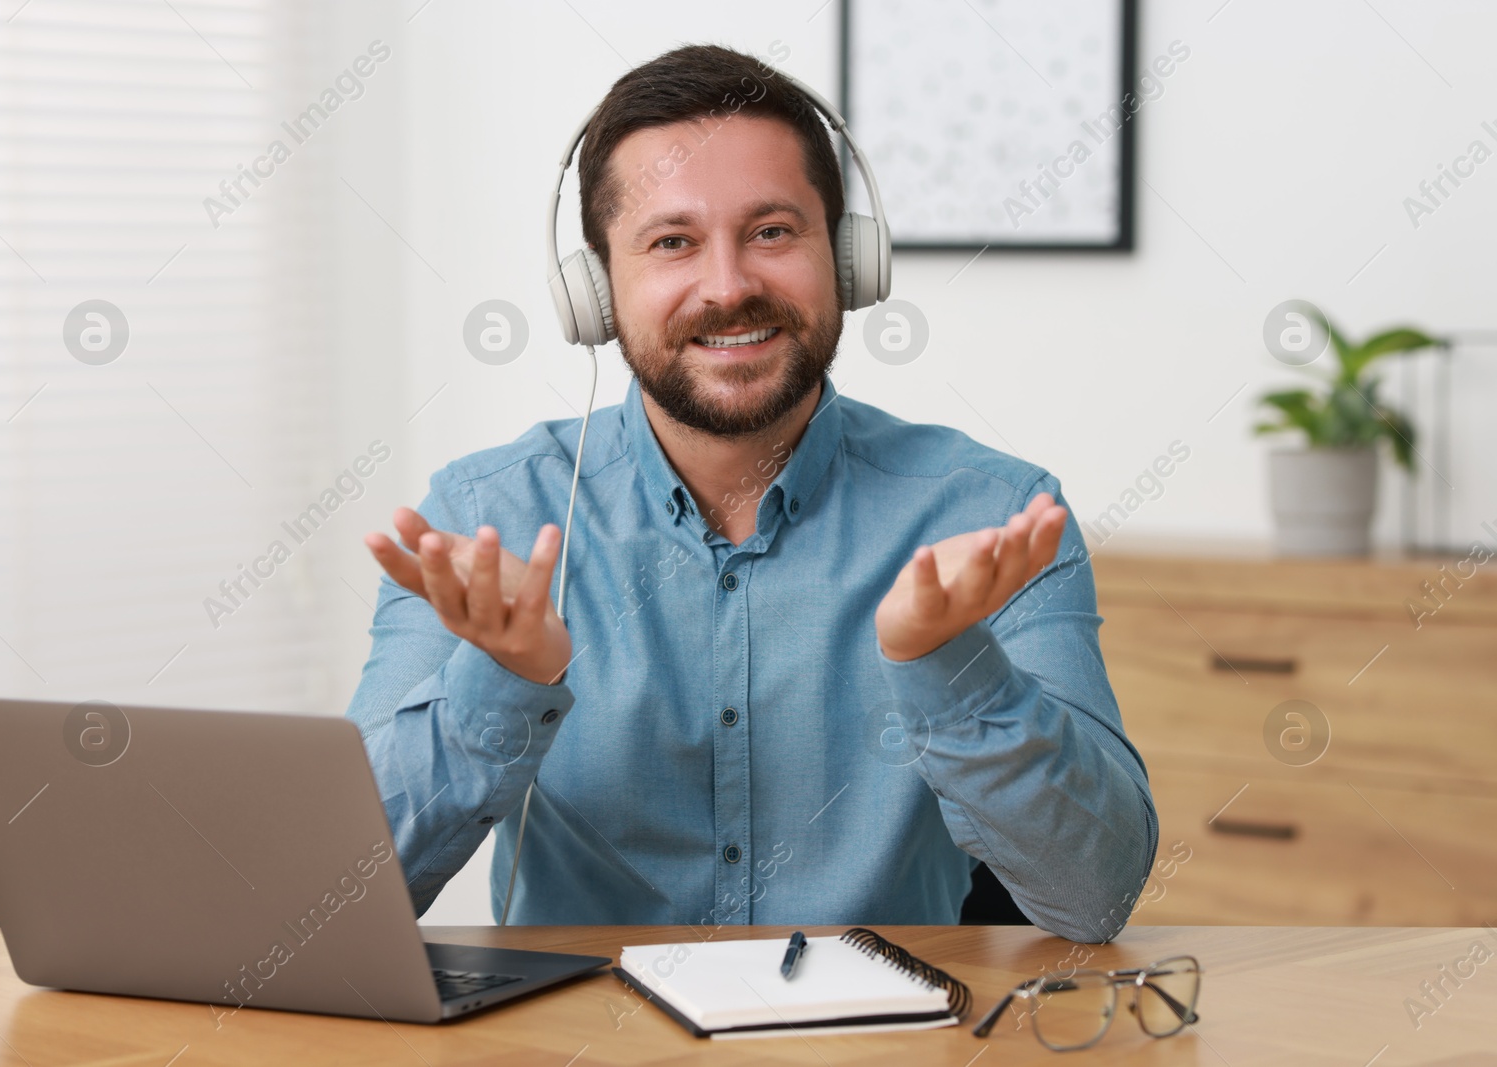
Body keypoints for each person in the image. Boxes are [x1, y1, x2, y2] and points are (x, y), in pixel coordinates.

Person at [345, 43, 1156, 942]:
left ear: (850, 258)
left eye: (773, 232)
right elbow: (335, 897)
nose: (729, 287)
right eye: (672, 243)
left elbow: (1097, 898)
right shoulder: (487, 520)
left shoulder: (993, 515)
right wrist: (499, 678)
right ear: (596, 292)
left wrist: (950, 667)